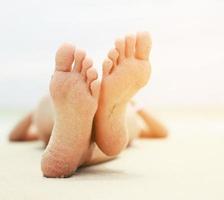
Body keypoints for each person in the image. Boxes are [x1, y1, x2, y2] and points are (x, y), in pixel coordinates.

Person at [8, 32, 168, 178]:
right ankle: (105, 123)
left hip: (53, 121)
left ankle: (81, 146)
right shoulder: (132, 110)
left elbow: (15, 136)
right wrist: (137, 107)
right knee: (130, 123)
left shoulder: (48, 115)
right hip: (116, 119)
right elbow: (161, 132)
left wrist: (34, 114)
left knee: (47, 110)